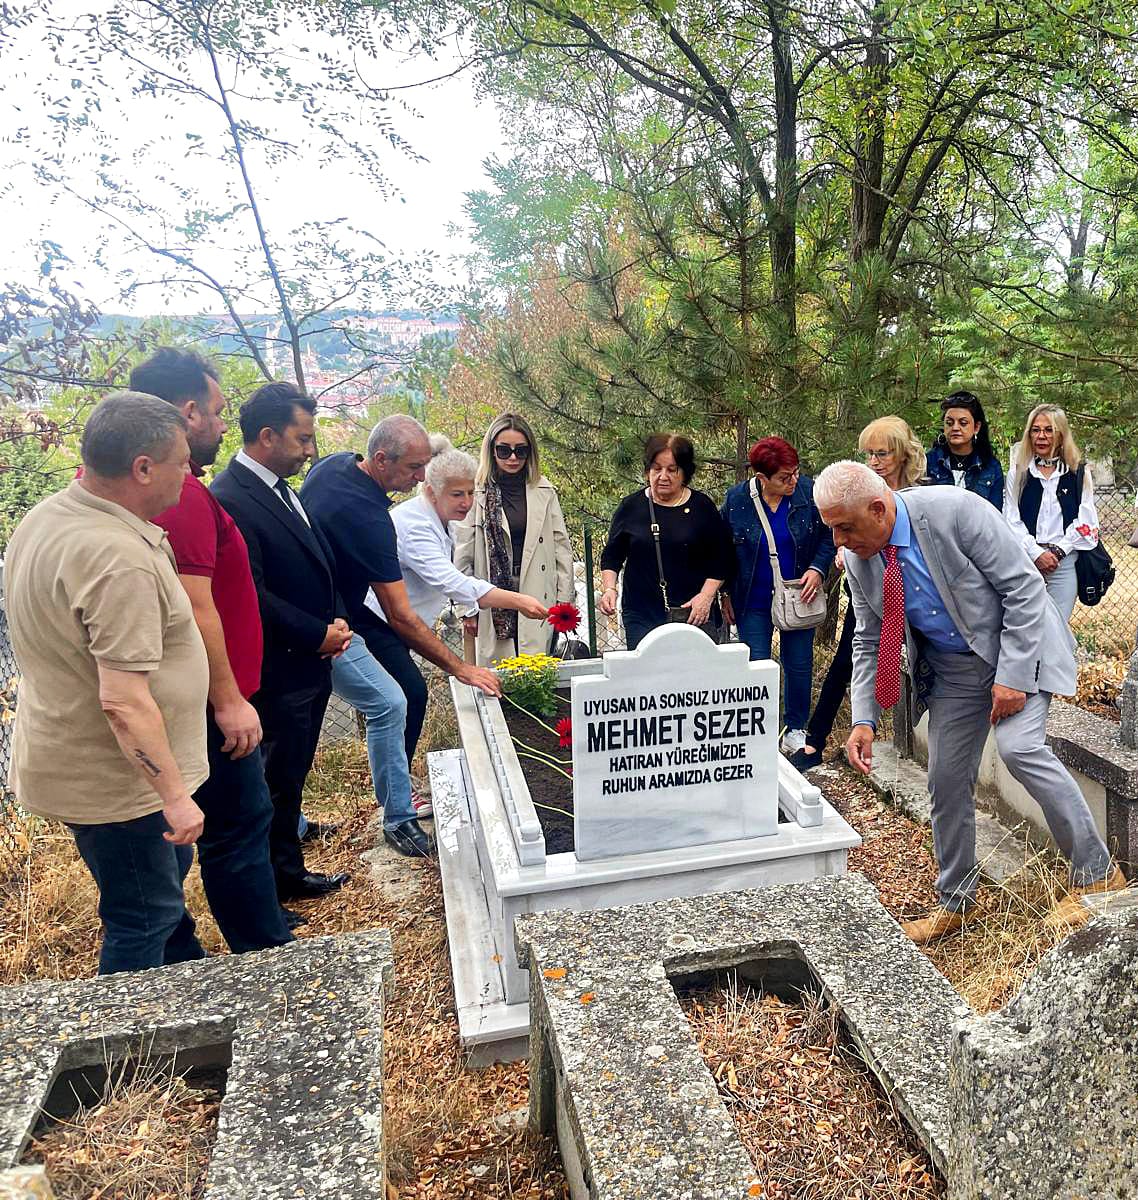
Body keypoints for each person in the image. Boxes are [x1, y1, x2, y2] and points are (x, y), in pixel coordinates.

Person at [815, 460, 1126, 943]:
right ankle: (956, 901)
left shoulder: (954, 511)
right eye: (832, 529)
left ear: (878, 508)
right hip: (956, 669)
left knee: (1019, 748)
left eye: (844, 528)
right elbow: (868, 639)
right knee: (944, 777)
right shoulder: (859, 561)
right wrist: (864, 719)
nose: (838, 542)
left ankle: (1097, 875)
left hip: (1017, 647)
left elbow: (1023, 588)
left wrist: (1013, 677)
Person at [6, 393, 209, 974]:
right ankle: (129, 1053)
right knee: (141, 917)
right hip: (119, 784)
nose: (191, 474)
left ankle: (185, 983)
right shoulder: (116, 556)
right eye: (183, 462)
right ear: (143, 468)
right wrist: (172, 796)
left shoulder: (51, 516)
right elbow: (123, 699)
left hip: (83, 761)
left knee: (157, 901)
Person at [129, 349, 293, 949]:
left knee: (177, 856)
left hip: (188, 702)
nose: (225, 426)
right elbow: (199, 607)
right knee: (239, 830)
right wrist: (229, 699)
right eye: (219, 413)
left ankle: (191, 958)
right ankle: (265, 959)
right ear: (189, 411)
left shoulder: (163, 491)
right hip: (206, 709)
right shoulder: (184, 496)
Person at [300, 413, 501, 831]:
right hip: (339, 621)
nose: (419, 476)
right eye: (413, 468)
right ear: (379, 459)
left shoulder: (333, 466)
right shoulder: (377, 523)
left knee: (307, 721)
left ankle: (292, 824)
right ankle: (396, 810)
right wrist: (461, 668)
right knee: (396, 697)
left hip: (330, 612)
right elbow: (401, 614)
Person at [210, 384, 354, 891]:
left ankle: (287, 870)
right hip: (277, 667)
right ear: (268, 436)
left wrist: (335, 621)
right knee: (273, 782)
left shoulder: (282, 486)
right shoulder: (230, 498)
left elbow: (319, 561)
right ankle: (277, 881)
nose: (310, 449)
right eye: (302, 438)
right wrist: (317, 632)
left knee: (290, 777)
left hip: (311, 660)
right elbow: (252, 593)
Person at [792, 417, 926, 771]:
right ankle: (816, 738)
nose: (875, 461)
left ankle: (910, 728)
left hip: (913, 596)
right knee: (849, 656)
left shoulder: (924, 495)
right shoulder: (856, 493)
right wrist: (849, 544)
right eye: (869, 454)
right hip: (870, 586)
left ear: (902, 453)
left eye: (882, 452)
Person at [367, 434, 549, 637]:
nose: (466, 502)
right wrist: (519, 601)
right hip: (375, 626)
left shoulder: (448, 520)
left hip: (401, 629)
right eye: (457, 494)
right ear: (431, 491)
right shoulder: (415, 527)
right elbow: (451, 581)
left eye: (470, 493)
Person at [720, 437, 835, 756]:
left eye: (795, 472)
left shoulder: (808, 493)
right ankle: (760, 731)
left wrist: (817, 568)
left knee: (798, 665)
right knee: (755, 666)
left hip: (800, 593)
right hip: (751, 598)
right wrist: (726, 592)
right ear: (761, 478)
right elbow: (723, 549)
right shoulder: (737, 501)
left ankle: (796, 729)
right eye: (785, 477)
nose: (793, 480)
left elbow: (828, 535)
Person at [454, 413, 573, 665]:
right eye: (503, 450)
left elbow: (561, 547)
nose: (512, 458)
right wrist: (466, 608)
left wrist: (565, 601)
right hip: (491, 592)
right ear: (491, 450)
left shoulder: (544, 489)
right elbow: (463, 552)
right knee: (498, 675)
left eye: (520, 451)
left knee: (537, 670)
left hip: (538, 588)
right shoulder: (476, 492)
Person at [599, 433, 734, 650]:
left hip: (693, 614)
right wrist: (609, 589)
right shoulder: (631, 507)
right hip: (641, 613)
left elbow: (722, 559)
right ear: (647, 471)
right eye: (656, 468)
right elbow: (612, 555)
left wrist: (706, 596)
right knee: (648, 680)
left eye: (672, 469)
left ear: (685, 473)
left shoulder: (702, 507)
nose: (663, 476)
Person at [1004, 404, 1100, 624]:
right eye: (1035, 430)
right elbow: (1010, 519)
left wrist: (1058, 552)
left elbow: (1086, 521)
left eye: (1049, 430)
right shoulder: (1019, 473)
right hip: (1026, 561)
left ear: (1061, 434)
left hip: (1063, 563)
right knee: (1026, 625)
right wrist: (1035, 552)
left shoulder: (1078, 473)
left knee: (1056, 626)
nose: (1041, 436)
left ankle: (1059, 660)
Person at [925, 390, 1003, 507]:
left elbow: (995, 515)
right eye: (949, 423)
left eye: (963, 423)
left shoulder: (991, 467)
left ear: (976, 427)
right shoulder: (929, 462)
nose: (955, 428)